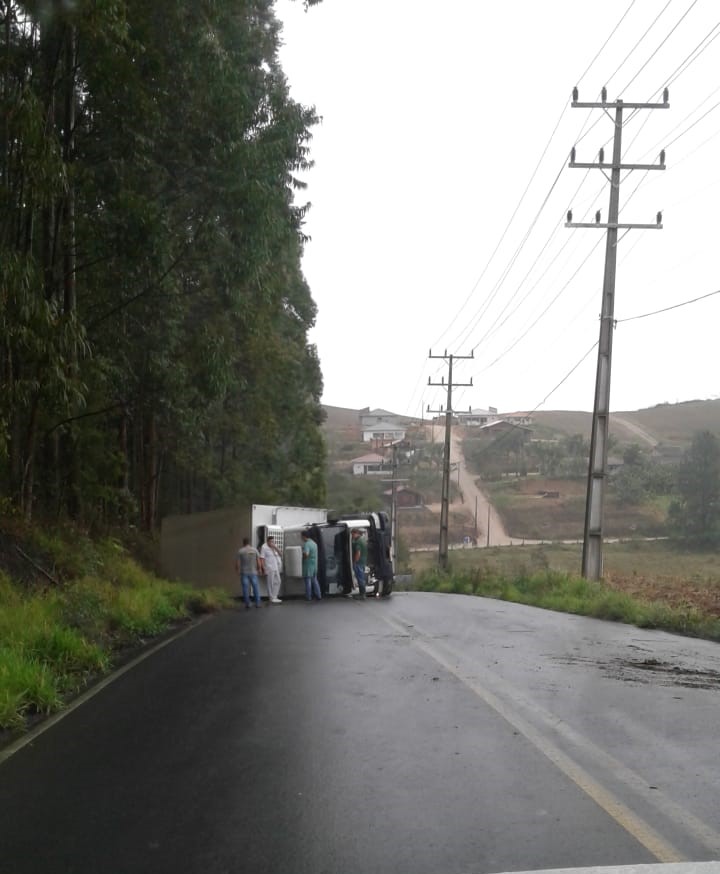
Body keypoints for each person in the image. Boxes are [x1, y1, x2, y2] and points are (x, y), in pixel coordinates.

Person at [235, 537, 261, 609]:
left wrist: (237, 570)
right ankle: (258, 603)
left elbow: (237, 562)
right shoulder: (255, 550)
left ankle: (247, 603)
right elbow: (258, 561)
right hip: (253, 572)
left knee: (245, 588)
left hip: (244, 572)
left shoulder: (240, 551)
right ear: (249, 542)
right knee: (255, 587)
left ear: (243, 543)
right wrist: (259, 569)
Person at [259, 535, 283, 603]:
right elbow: (262, 558)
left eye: (273, 541)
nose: (272, 543)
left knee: (278, 581)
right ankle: (271, 598)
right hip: (269, 567)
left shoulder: (274, 546)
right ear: (267, 542)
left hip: (276, 567)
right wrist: (263, 568)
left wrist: (275, 547)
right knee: (270, 583)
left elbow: (281, 554)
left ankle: (275, 596)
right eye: (271, 542)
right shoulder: (264, 547)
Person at [301, 531, 322, 601]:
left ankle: (308, 596)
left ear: (304, 536)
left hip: (308, 565)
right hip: (314, 565)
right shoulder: (314, 543)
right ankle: (319, 595)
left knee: (308, 581)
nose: (301, 538)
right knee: (315, 580)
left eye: (301, 536)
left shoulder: (307, 544)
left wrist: (302, 556)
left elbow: (306, 554)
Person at [351, 528, 367, 598]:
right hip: (363, 562)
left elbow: (358, 553)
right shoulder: (363, 540)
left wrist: (355, 561)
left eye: (352, 534)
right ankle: (362, 593)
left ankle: (362, 594)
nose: (352, 536)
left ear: (356, 533)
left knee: (360, 578)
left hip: (358, 562)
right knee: (361, 577)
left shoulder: (358, 542)